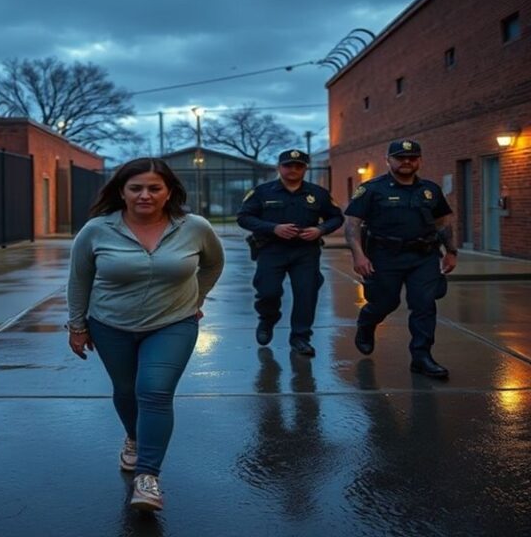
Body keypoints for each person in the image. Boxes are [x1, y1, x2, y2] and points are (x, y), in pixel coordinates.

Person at [66, 157, 224, 512]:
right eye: (136, 188)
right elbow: (79, 279)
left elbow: (213, 263)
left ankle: (147, 477)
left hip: (173, 324)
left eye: (154, 188)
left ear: (169, 192)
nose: (145, 195)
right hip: (110, 325)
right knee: (126, 391)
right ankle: (135, 438)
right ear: (121, 191)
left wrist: (196, 298)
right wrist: (77, 325)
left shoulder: (194, 227)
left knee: (153, 391)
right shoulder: (96, 230)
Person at [344, 139, 458, 379]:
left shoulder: (430, 189)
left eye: (412, 158)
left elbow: (443, 222)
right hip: (385, 256)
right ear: (388, 160)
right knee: (386, 302)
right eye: (400, 158)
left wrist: (451, 251)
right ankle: (367, 322)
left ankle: (422, 357)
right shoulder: (372, 189)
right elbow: (352, 224)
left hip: (424, 256)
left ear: (420, 160)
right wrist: (359, 255)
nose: (407, 162)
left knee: (424, 304)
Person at [237, 149, 344, 355]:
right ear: (279, 167)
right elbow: (244, 217)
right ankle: (267, 320)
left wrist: (320, 229)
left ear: (305, 168)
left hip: (306, 252)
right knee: (268, 292)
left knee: (306, 294)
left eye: (299, 166)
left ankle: (300, 337)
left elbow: (336, 217)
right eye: (288, 165)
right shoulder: (262, 192)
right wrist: (273, 228)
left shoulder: (318, 194)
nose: (293, 169)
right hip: (271, 249)